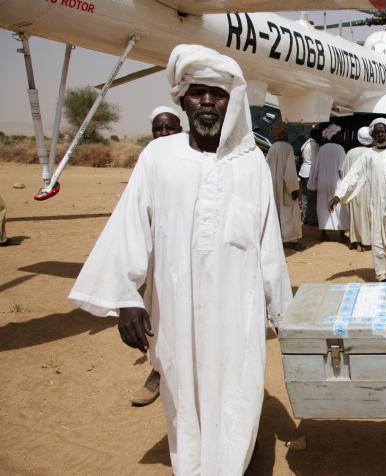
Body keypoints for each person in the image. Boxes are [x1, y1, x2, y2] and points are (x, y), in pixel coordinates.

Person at [68, 44, 292, 475]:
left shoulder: (253, 165)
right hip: (174, 307)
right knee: (181, 394)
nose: (207, 101)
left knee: (238, 390)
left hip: (236, 311)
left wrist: (283, 314)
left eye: (218, 94)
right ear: (183, 100)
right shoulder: (158, 157)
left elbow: (268, 248)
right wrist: (126, 298)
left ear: (233, 102)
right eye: (197, 92)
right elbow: (130, 224)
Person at [129, 106, 185, 408]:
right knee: (158, 317)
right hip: (156, 260)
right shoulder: (147, 161)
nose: (164, 134)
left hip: (187, 257)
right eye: (158, 129)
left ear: (180, 130)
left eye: (170, 129)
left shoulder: (194, 159)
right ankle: (157, 372)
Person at [330, 118, 386, 282]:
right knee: (379, 241)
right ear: (372, 135)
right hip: (377, 205)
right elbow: (353, 175)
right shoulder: (368, 155)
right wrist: (339, 194)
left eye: (383, 131)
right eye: (377, 132)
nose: (380, 135)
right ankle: (384, 273)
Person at [267, 121, 305, 251]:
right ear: (281, 134)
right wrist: (293, 189)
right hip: (285, 186)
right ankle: (291, 240)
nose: (287, 135)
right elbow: (290, 171)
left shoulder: (272, 148)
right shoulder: (288, 147)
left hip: (273, 186)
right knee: (289, 212)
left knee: (277, 211)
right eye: (285, 133)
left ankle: (278, 238)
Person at [308, 124, 349, 241]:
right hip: (336, 183)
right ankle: (341, 233)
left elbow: (315, 168)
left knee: (322, 207)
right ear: (334, 135)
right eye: (339, 135)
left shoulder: (322, 149)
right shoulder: (339, 149)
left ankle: (323, 233)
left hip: (322, 183)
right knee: (340, 207)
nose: (341, 137)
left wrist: (314, 182)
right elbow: (343, 169)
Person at [342, 126, 374, 251]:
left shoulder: (351, 152)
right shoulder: (373, 153)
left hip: (353, 190)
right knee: (367, 215)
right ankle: (365, 241)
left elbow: (344, 172)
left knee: (354, 215)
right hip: (369, 189)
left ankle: (355, 240)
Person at [299, 129, 321, 227]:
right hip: (310, 172)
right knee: (312, 197)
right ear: (315, 135)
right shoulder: (314, 145)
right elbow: (317, 161)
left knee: (304, 196)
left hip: (303, 171)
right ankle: (312, 219)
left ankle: (305, 217)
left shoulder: (305, 143)